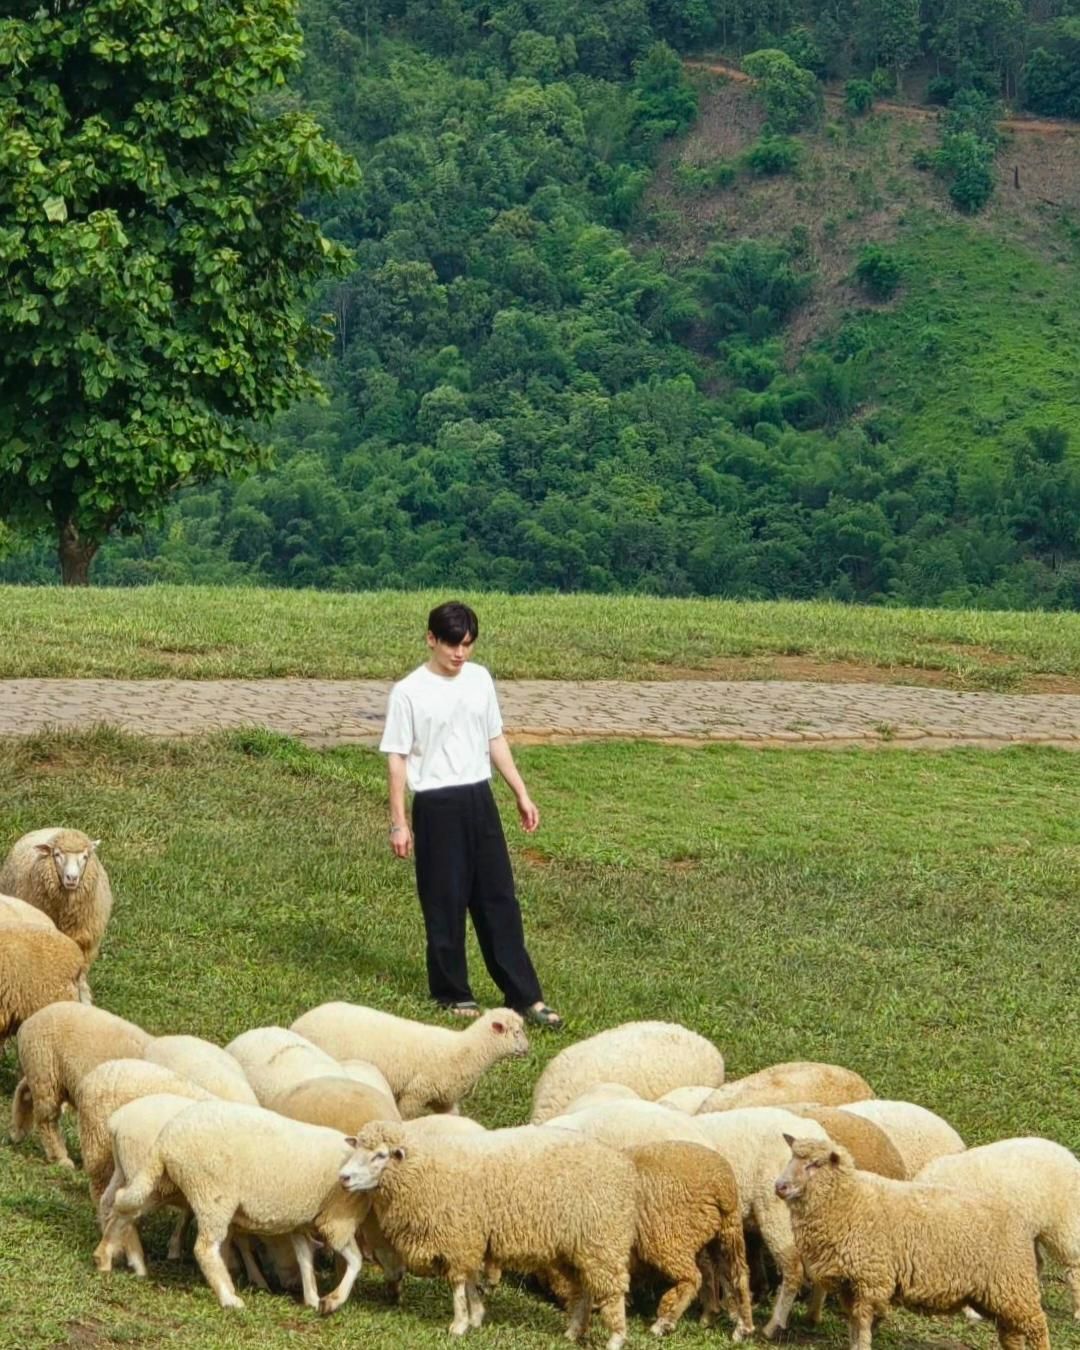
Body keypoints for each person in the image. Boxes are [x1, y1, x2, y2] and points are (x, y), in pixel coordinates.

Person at [379, 601, 563, 1029]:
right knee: (444, 900)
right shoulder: (409, 692)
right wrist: (399, 822)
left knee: (498, 898)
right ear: (431, 639)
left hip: (479, 797)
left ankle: (525, 996)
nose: (460, 654)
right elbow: (396, 760)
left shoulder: (479, 680)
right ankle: (452, 991)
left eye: (467, 645)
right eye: (452, 645)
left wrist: (520, 791)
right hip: (437, 803)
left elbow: (494, 738)